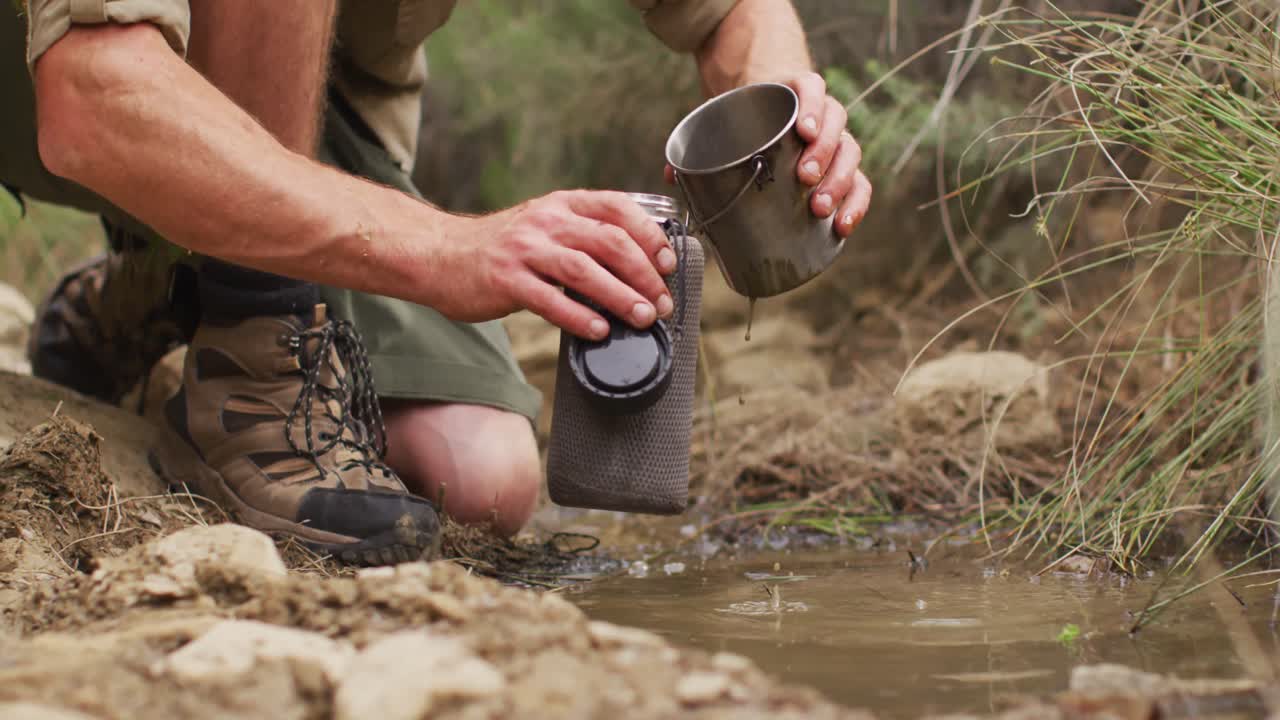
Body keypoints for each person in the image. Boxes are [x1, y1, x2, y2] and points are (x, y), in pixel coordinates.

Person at [2, 0, 872, 565]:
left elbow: (733, 14)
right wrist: (446, 251)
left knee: (482, 480)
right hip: (63, 66)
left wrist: (787, 116)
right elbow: (94, 99)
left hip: (289, 114)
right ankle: (248, 353)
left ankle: (156, 288)